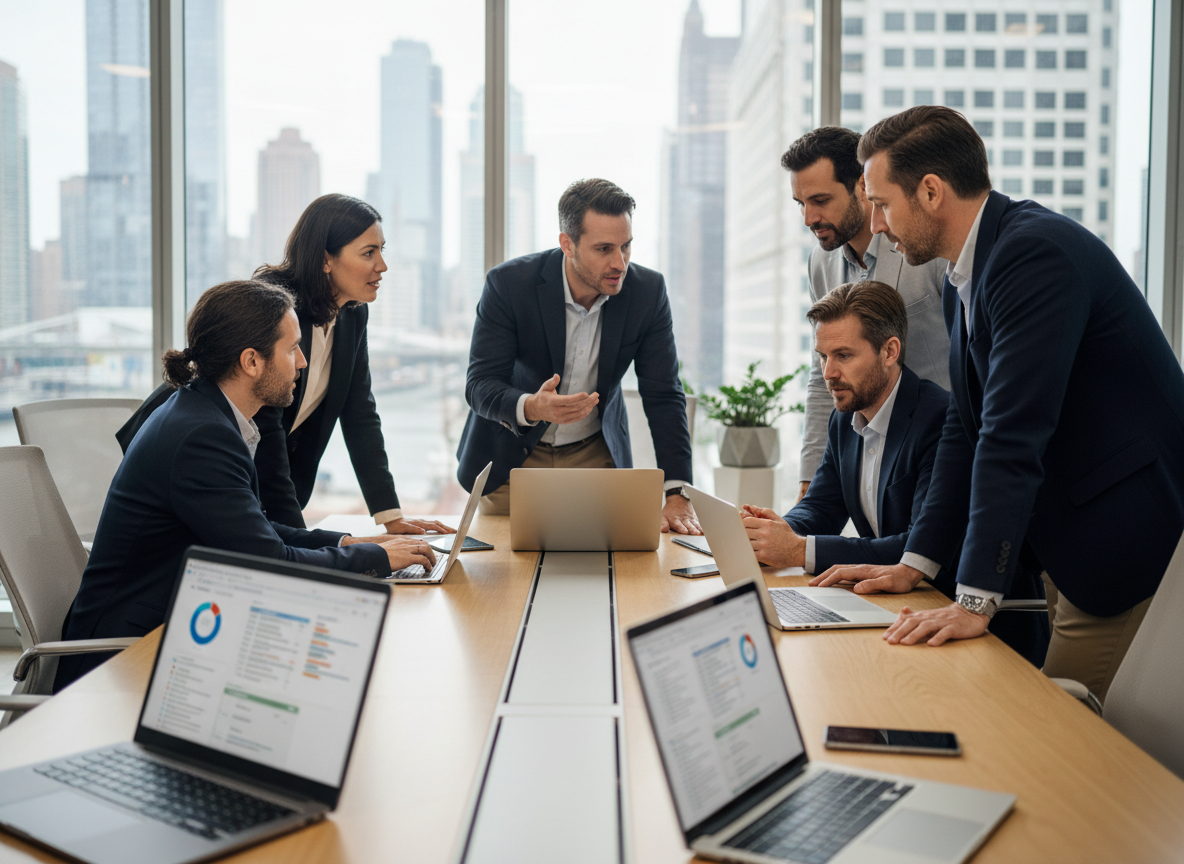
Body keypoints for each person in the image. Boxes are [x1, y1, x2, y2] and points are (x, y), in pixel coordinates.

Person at [811, 105, 1184, 701]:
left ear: (930, 191)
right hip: (1069, 533)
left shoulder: (1030, 256)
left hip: (1121, 534)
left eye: (881, 203)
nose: (876, 225)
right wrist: (919, 561)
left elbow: (1011, 434)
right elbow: (968, 422)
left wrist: (975, 598)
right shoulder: (972, 271)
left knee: (1063, 738)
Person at [55, 281, 436, 691]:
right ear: (252, 361)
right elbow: (269, 563)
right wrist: (375, 559)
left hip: (179, 625)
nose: (303, 362)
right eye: (292, 349)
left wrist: (347, 543)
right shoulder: (201, 436)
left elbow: (254, 529)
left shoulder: (205, 414)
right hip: (123, 659)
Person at [742, 280, 1047, 665]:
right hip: (906, 613)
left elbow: (915, 545)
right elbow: (821, 507)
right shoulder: (844, 420)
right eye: (822, 356)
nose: (828, 373)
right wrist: (772, 532)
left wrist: (799, 550)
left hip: (981, 627)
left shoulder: (940, 419)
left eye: (843, 356)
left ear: (890, 351)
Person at [117, 194, 452, 538]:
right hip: (201, 468)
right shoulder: (276, 308)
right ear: (326, 259)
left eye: (382, 250)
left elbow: (359, 411)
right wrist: (303, 554)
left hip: (258, 479)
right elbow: (266, 425)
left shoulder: (353, 313)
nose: (382, 265)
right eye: (369, 252)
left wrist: (389, 516)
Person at [457, 178, 700, 534]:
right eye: (604, 249)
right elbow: (479, 385)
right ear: (567, 244)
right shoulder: (509, 285)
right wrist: (532, 407)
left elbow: (663, 394)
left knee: (603, 570)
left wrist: (677, 490)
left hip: (594, 454)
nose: (620, 262)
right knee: (503, 574)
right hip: (512, 458)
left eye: (626, 246)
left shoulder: (647, 292)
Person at [782, 126, 949, 503]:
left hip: (945, 448)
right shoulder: (820, 262)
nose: (809, 217)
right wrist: (810, 480)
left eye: (820, 200)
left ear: (862, 185)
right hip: (874, 453)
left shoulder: (924, 247)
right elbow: (822, 370)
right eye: (800, 203)